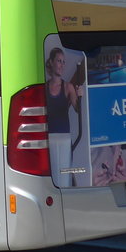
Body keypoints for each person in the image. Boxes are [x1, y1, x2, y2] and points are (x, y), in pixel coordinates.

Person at [45, 47, 80, 187]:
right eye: (59, 61)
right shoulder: (44, 87)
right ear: (52, 62)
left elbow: (78, 109)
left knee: (64, 175)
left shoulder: (68, 87)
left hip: (64, 137)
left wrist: (79, 94)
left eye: (63, 62)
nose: (61, 65)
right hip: (49, 137)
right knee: (52, 174)